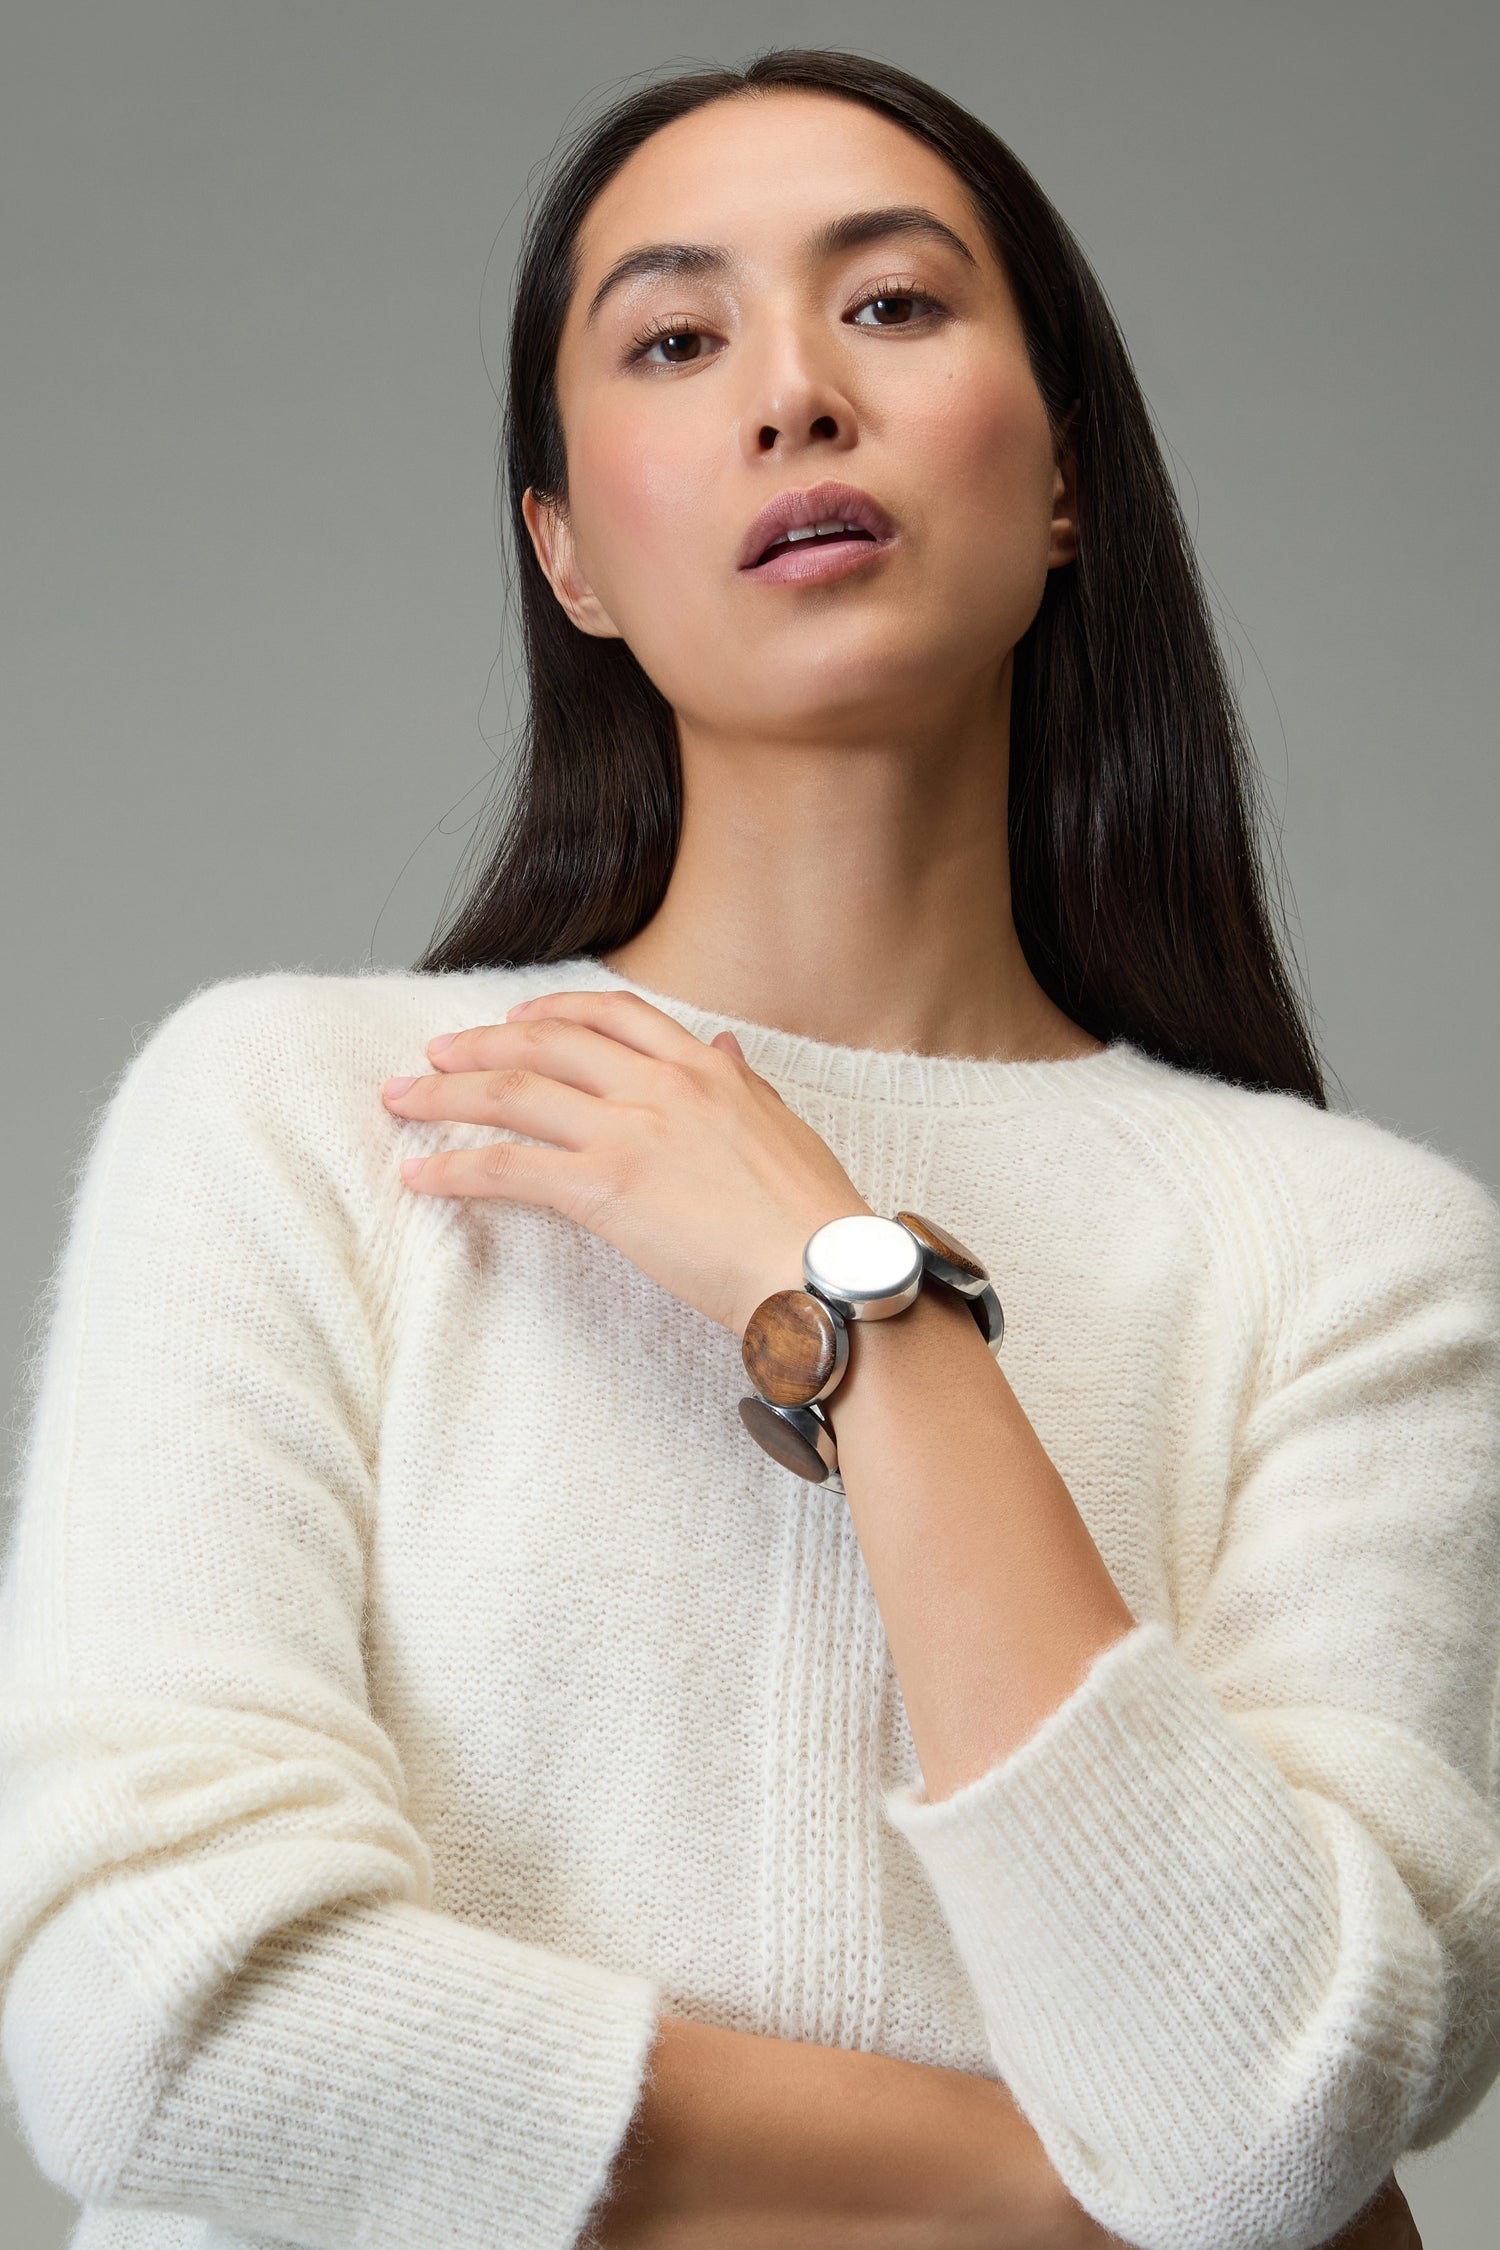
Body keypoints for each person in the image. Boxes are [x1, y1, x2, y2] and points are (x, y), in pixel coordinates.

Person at [0, 45, 1488, 2250]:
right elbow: (160, 2016)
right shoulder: (306, 1116)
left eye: (892, 304)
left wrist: (849, 1293)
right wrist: (1085, 2208)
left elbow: (1269, 2087)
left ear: (1065, 477)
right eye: (679, 341)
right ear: (570, 551)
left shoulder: (1359, 1257)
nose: (796, 395)